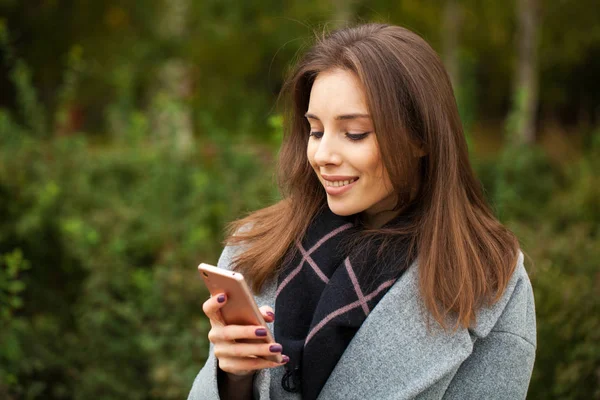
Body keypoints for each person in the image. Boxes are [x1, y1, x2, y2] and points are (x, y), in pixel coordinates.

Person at [188, 23, 536, 400]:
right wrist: (233, 379)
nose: (322, 156)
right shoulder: (254, 248)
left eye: (354, 134)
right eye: (316, 131)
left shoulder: (489, 278)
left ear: (421, 136)